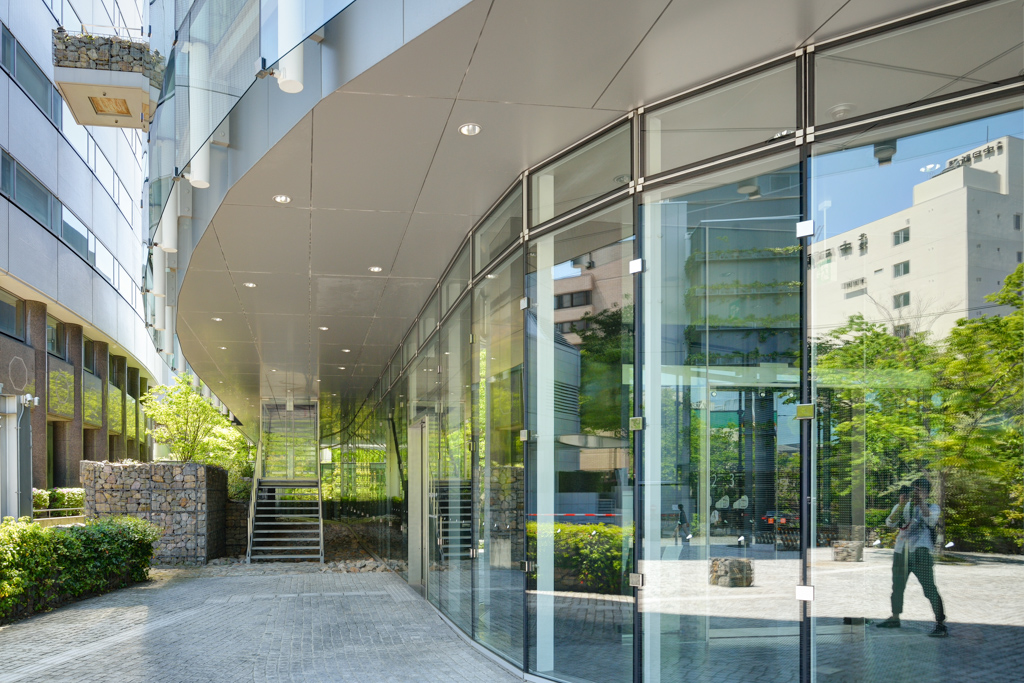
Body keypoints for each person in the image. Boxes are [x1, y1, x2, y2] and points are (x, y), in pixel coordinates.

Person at [876, 478, 947, 637]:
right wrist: (901, 504)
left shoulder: (932, 507)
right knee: (897, 587)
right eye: (914, 489)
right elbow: (890, 523)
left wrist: (920, 502)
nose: (916, 492)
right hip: (901, 552)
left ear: (927, 493)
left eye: (920, 490)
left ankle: (940, 623)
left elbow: (930, 520)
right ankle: (895, 617)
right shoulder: (902, 506)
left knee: (929, 589)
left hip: (921, 552)